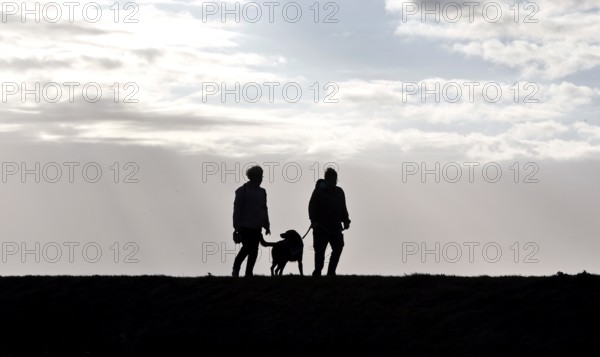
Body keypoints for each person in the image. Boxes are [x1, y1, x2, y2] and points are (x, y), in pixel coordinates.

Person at [308, 167, 350, 276]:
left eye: (335, 180)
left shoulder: (339, 192)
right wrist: (314, 221)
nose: (334, 182)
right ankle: (317, 273)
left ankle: (331, 272)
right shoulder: (318, 192)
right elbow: (311, 207)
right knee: (320, 252)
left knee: (339, 247)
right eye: (332, 180)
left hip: (336, 228)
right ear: (326, 180)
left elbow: (343, 208)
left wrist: (346, 220)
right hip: (321, 228)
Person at [232, 165, 271, 277]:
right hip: (245, 226)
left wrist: (267, 225)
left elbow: (264, 208)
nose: (261, 179)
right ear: (252, 176)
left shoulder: (262, 192)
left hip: (257, 226)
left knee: (254, 251)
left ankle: (249, 273)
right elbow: (237, 209)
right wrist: (236, 226)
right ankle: (236, 268)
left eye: (261, 176)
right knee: (247, 248)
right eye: (259, 176)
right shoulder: (242, 191)